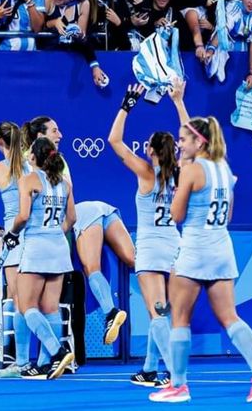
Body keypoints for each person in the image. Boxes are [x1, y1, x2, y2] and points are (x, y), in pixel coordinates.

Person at [150, 78, 252, 404]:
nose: (179, 145)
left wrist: (180, 180)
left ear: (199, 143)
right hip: (222, 249)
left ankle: (178, 385)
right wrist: (179, 103)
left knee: (178, 318)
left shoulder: (192, 171)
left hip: (194, 250)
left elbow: (176, 216)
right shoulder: (223, 168)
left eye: (182, 141)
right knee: (230, 317)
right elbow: (230, 211)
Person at [108, 83, 183, 388]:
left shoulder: (145, 172)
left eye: (148, 144)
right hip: (176, 247)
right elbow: (193, 139)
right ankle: (150, 369)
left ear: (151, 150)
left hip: (151, 250)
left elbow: (114, 140)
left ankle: (173, 376)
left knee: (156, 314)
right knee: (165, 313)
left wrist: (127, 105)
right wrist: (179, 103)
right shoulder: (181, 171)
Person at [1, 137, 76, 380]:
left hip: (36, 248)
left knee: (26, 306)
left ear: (33, 157)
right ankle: (45, 364)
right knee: (51, 308)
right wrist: (54, 232)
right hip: (59, 248)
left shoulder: (29, 180)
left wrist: (12, 233)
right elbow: (71, 220)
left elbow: (23, 216)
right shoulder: (64, 183)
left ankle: (57, 351)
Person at [0, 122, 32, 376]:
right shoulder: (33, 166)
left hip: (13, 236)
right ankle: (49, 356)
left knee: (20, 301)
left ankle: (23, 361)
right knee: (37, 301)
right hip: (35, 235)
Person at [72, 201, 135, 346]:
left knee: (92, 267)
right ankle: (171, 285)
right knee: (134, 260)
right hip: (106, 209)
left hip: (84, 214)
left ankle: (110, 313)